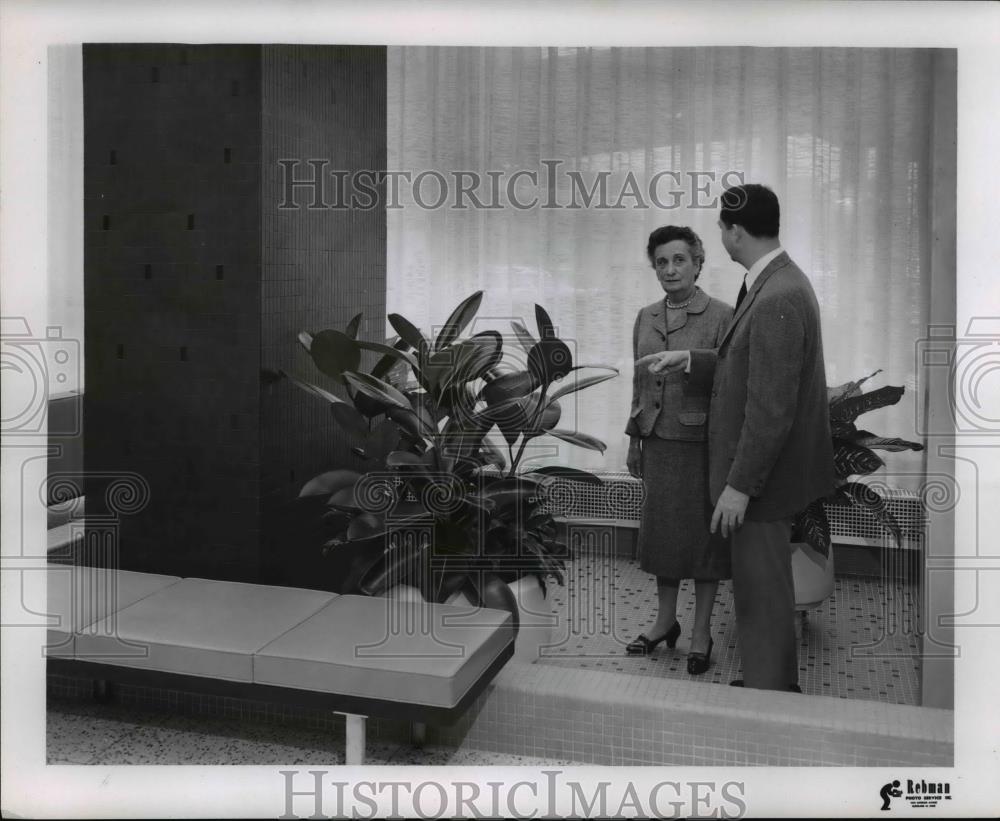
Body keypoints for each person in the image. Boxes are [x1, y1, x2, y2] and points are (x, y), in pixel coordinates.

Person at [638, 184, 835, 692]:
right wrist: (692, 359)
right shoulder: (777, 281)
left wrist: (739, 485)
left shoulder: (776, 295)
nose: (721, 236)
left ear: (735, 232)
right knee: (759, 595)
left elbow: (771, 408)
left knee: (763, 597)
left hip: (762, 485)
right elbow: (749, 367)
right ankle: (768, 684)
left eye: (722, 228)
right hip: (764, 480)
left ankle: (769, 696)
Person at [624, 225, 733, 675]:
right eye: (662, 262)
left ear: (698, 263)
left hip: (701, 445)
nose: (670, 269)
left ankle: (702, 632)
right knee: (663, 539)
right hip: (657, 442)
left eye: (679, 260)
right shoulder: (645, 316)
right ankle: (665, 621)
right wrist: (634, 438)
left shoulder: (722, 315)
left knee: (703, 542)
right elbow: (639, 382)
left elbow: (730, 379)